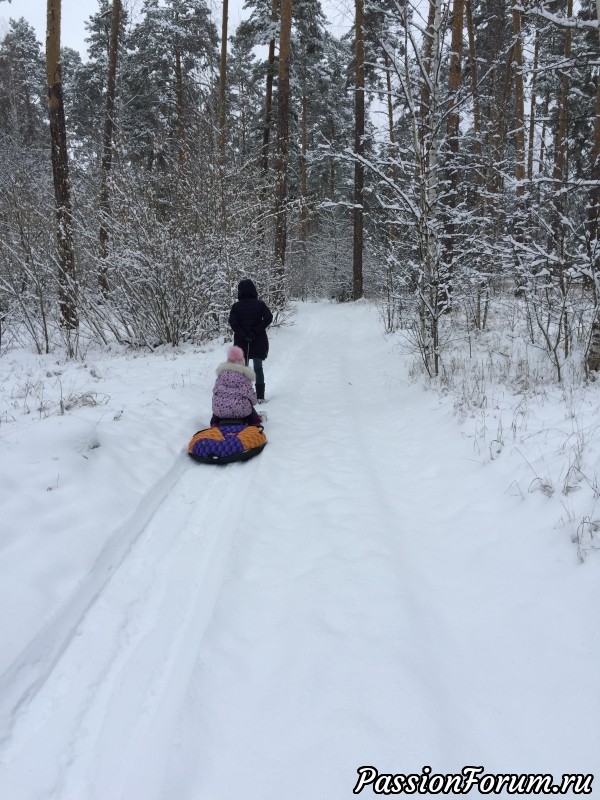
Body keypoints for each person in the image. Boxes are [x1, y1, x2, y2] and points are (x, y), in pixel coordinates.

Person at [228, 279, 273, 403]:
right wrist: (256, 331)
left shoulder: (236, 306)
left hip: (242, 342)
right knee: (258, 368)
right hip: (258, 340)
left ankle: (244, 395)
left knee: (243, 369)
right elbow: (269, 318)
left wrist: (243, 334)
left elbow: (233, 322)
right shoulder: (260, 304)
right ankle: (260, 397)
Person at [210, 346, 262, 427]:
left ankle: (215, 423)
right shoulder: (245, 377)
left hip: (221, 411)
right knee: (250, 407)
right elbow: (251, 396)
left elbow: (215, 391)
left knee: (218, 408)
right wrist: (254, 401)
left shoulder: (221, 375)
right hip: (240, 411)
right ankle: (255, 423)